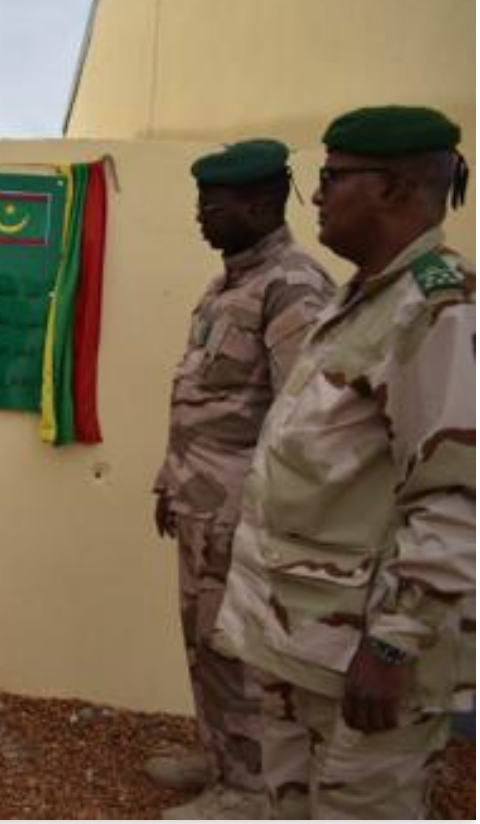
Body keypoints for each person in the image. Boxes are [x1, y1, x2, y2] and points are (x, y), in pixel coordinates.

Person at [213, 106, 475, 818]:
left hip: (366, 658)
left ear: (392, 189)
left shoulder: (437, 312)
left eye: (331, 178)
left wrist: (393, 648)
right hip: (305, 642)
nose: (318, 196)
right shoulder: (365, 299)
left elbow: (455, 499)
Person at [148, 140, 334, 818]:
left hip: (241, 516)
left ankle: (249, 791)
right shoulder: (227, 283)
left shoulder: (294, 287)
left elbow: (303, 421)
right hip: (200, 504)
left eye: (213, 204)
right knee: (204, 640)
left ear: (258, 204)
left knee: (238, 649)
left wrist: (255, 515)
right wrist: (172, 477)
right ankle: (223, 756)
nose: (201, 215)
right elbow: (201, 394)